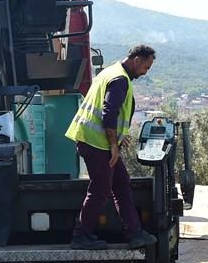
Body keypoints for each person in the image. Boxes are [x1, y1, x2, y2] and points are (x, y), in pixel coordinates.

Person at [65, 44, 159, 250]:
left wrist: (117, 139)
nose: (145, 72)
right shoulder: (119, 80)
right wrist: (114, 146)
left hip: (97, 141)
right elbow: (108, 114)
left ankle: (134, 232)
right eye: (146, 67)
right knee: (100, 190)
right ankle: (81, 235)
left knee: (122, 185)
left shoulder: (111, 71)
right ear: (136, 60)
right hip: (95, 143)